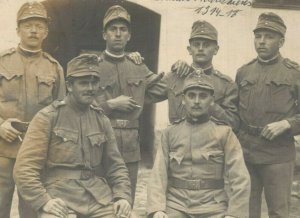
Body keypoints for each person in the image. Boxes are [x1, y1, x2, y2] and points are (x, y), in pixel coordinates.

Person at [13, 54, 132, 218]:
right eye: (83, 83)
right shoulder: (48, 117)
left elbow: (116, 166)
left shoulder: (101, 119)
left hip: (98, 198)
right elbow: (24, 169)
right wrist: (45, 201)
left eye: (94, 82)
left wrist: (122, 197)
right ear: (69, 85)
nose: (90, 88)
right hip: (59, 197)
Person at [147, 73, 250, 218]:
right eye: (191, 95)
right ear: (183, 99)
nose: (196, 101)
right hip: (176, 205)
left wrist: (234, 214)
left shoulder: (224, 133)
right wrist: (157, 209)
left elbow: (240, 178)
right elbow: (158, 174)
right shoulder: (170, 133)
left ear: (212, 100)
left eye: (203, 96)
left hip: (213, 206)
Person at [92, 5, 167, 201]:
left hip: (130, 145)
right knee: (99, 201)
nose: (118, 34)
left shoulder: (137, 66)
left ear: (129, 36)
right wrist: (111, 105)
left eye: (123, 29)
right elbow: (80, 103)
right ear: (104, 34)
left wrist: (180, 70)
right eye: (113, 29)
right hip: (100, 142)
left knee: (126, 201)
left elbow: (162, 89)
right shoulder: (93, 67)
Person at [0, 2, 65, 218]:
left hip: (36, 152)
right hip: (3, 149)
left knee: (32, 210)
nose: (34, 30)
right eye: (28, 25)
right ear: (18, 30)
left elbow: (61, 111)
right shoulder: (2, 62)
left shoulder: (54, 68)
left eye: (39, 25)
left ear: (46, 32)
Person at [235, 12, 300, 218]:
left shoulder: (293, 73)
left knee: (278, 212)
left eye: (269, 37)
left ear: (281, 41)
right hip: (246, 152)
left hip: (278, 154)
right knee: (246, 211)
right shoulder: (244, 72)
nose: (261, 42)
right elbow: (234, 111)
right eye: (258, 36)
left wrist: (288, 124)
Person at [166, 20, 239, 131]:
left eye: (206, 45)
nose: (200, 48)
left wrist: (211, 105)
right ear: (189, 50)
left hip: (211, 143)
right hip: (179, 142)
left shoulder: (226, 84)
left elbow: (233, 124)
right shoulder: (175, 77)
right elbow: (144, 90)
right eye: (196, 44)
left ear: (216, 50)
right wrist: (129, 57)